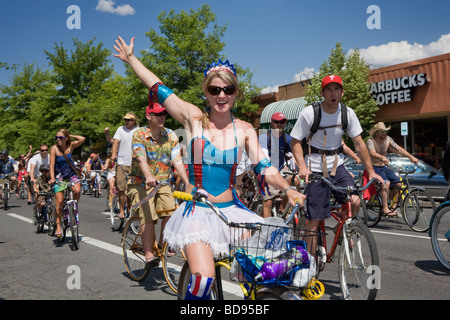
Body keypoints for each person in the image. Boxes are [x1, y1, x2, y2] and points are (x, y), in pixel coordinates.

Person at [114, 36, 305, 300]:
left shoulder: (245, 129)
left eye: (227, 89)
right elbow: (158, 87)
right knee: (203, 280)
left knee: (266, 274)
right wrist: (131, 59)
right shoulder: (193, 120)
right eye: (215, 90)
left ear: (236, 92)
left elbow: (265, 167)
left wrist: (288, 189)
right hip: (199, 215)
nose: (221, 95)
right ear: (207, 92)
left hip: (233, 214)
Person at [290, 75, 383, 255]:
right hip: (315, 168)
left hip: (337, 167)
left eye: (336, 89)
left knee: (355, 202)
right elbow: (295, 141)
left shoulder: (347, 113)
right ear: (323, 93)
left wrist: (371, 172)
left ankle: (342, 228)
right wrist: (302, 167)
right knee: (314, 220)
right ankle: (308, 265)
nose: (333, 94)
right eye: (329, 90)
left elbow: (359, 144)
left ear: (342, 92)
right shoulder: (310, 113)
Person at [126, 103, 189, 268]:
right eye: (158, 114)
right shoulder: (139, 134)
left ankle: (161, 243)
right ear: (149, 116)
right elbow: (140, 158)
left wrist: (188, 183)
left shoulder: (171, 135)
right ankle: (148, 255)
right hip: (140, 182)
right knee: (147, 217)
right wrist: (148, 176)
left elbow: (177, 160)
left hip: (162, 182)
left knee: (172, 211)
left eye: (164, 114)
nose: (162, 117)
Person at [366, 122, 419, 216]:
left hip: (385, 167)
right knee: (386, 183)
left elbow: (398, 149)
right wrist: (382, 157)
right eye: (382, 131)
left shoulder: (388, 139)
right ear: (376, 133)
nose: (384, 133)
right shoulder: (371, 141)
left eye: (385, 131)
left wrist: (411, 157)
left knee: (398, 184)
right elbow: (372, 152)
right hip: (375, 168)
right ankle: (385, 208)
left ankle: (393, 206)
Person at [49, 129, 85, 237]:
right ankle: (59, 226)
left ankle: (73, 206)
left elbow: (82, 139)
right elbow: (51, 165)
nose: (58, 140)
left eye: (61, 137)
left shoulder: (71, 146)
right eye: (57, 138)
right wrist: (52, 178)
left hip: (71, 174)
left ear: (66, 138)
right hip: (59, 177)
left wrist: (70, 135)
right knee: (59, 203)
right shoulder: (54, 149)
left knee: (77, 190)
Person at [258, 112, 295, 218]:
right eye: (276, 122)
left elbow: (293, 155)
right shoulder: (264, 138)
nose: (279, 124)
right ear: (271, 123)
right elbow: (263, 159)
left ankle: (282, 208)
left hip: (280, 169)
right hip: (264, 171)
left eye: (282, 122)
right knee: (268, 202)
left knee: (295, 181)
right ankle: (266, 232)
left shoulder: (287, 139)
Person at [111, 112, 139, 219]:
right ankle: (121, 210)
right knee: (121, 187)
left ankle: (130, 208)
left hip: (134, 163)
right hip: (122, 162)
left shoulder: (138, 131)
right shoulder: (120, 129)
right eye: (125, 120)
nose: (126, 122)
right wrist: (114, 154)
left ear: (134, 121)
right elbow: (115, 142)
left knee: (133, 188)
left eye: (129, 120)